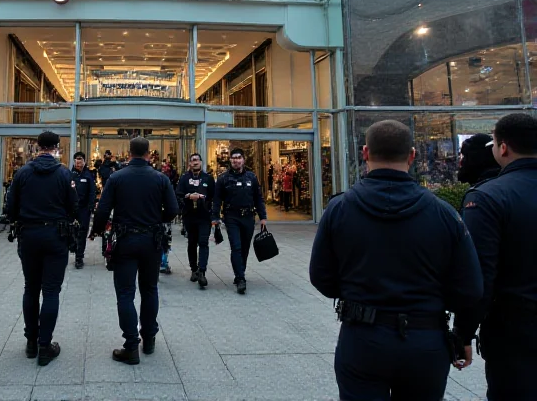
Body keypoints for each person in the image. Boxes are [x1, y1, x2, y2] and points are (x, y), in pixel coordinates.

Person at [309, 120, 483, 401]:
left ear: (365, 153)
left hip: (362, 337)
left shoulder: (339, 209)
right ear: (412, 155)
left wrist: (356, 293)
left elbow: (321, 276)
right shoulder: (444, 214)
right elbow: (471, 287)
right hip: (425, 338)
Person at [453, 113, 537, 400]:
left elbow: (480, 275)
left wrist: (463, 333)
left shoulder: (489, 198)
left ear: (503, 148)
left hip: (516, 334)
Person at [91, 137, 179, 365]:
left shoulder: (117, 177)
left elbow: (102, 210)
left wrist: (97, 230)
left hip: (125, 239)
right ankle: (148, 337)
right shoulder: (160, 178)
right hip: (151, 240)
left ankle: (131, 344)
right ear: (149, 154)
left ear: (129, 153)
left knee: (125, 292)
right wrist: (154, 220)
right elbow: (172, 210)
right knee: (150, 289)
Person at [5, 131, 78, 366]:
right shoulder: (64, 173)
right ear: (56, 147)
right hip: (56, 235)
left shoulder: (23, 172)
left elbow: (10, 207)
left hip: (29, 234)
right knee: (51, 291)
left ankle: (31, 341)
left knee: (31, 288)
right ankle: (45, 345)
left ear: (38, 147)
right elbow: (73, 206)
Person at [212, 148, 266, 294]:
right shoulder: (223, 178)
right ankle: (240, 278)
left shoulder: (251, 177)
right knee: (236, 247)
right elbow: (217, 200)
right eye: (233, 158)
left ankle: (240, 271)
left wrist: (263, 217)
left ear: (243, 160)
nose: (236, 160)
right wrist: (215, 218)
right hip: (231, 217)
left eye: (238, 157)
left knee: (245, 248)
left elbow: (258, 198)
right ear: (230, 160)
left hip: (248, 217)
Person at [175, 153, 215, 289]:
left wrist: (205, 199)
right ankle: (194, 269)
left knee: (203, 242)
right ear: (190, 164)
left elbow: (214, 196)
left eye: (197, 160)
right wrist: (188, 196)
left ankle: (202, 271)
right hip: (189, 215)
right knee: (192, 242)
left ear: (201, 162)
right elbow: (178, 194)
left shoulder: (208, 178)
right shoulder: (184, 179)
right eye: (193, 160)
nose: (195, 162)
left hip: (204, 216)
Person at [70, 152, 95, 270]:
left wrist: (90, 207)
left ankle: (79, 258)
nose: (78, 164)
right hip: (71, 209)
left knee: (82, 233)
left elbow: (92, 192)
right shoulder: (70, 175)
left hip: (84, 209)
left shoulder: (88, 175)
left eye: (80, 161)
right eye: (76, 161)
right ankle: (73, 246)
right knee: (71, 232)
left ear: (84, 162)